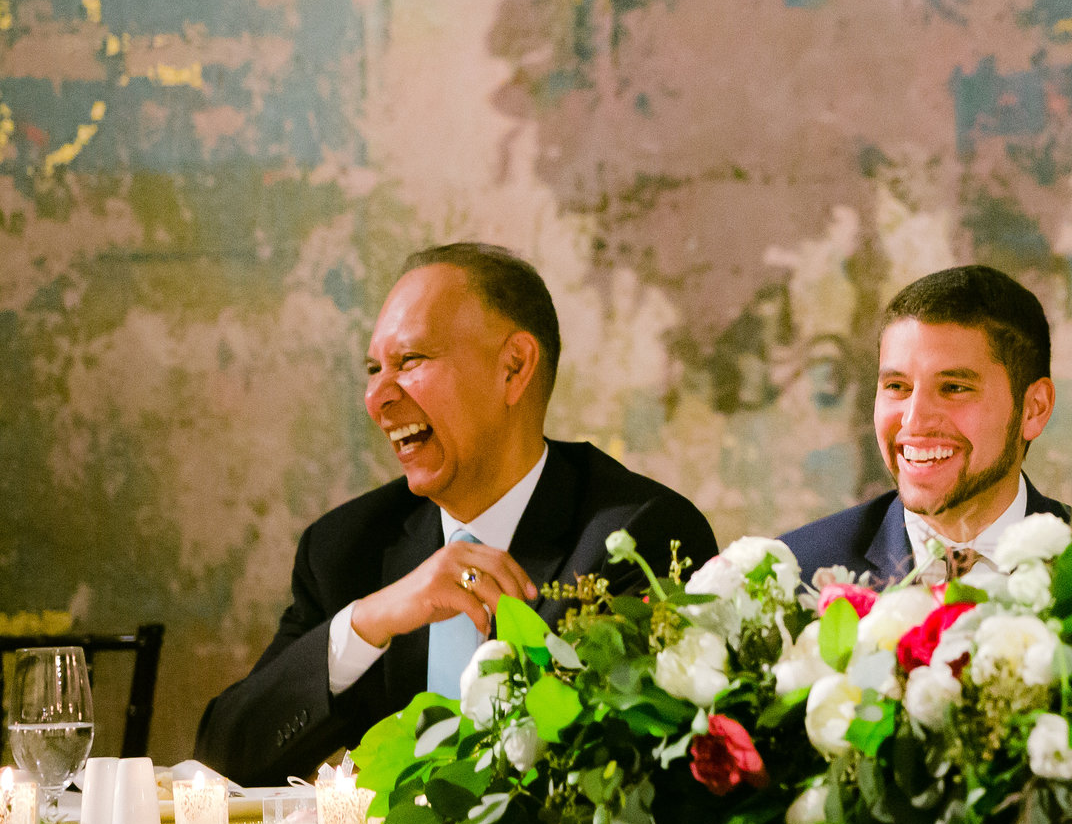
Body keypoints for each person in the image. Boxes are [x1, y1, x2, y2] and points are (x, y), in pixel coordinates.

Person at [196, 244, 717, 785]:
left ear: (513, 368)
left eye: (409, 362)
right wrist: (369, 621)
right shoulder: (346, 548)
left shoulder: (639, 536)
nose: (377, 397)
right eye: (374, 369)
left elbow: (630, 776)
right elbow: (223, 760)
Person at [780, 266, 1072, 585]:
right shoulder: (794, 578)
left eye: (953, 388)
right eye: (897, 387)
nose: (914, 419)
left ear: (1033, 409)